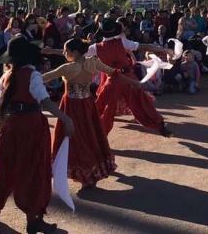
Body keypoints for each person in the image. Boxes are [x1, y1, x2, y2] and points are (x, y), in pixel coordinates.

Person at [0, 36, 75, 233]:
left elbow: (0, 108)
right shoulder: (33, 76)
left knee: (2, 169)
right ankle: (33, 219)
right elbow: (46, 102)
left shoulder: (5, 76)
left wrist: (3, 130)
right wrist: (66, 119)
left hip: (12, 125)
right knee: (33, 171)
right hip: (31, 126)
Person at [45, 19, 174, 137]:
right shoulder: (122, 42)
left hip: (112, 81)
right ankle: (160, 126)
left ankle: (96, 134)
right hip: (128, 77)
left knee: (104, 108)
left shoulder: (96, 47)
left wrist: (53, 51)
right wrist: (164, 50)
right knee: (141, 103)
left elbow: (74, 52)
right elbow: (143, 46)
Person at [42, 38, 139, 189]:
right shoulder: (92, 62)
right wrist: (132, 82)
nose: (63, 53)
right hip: (87, 105)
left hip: (72, 107)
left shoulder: (67, 68)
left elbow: (43, 78)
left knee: (76, 139)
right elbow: (114, 73)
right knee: (90, 136)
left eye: (65, 51)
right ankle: (92, 173)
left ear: (74, 52)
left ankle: (84, 174)